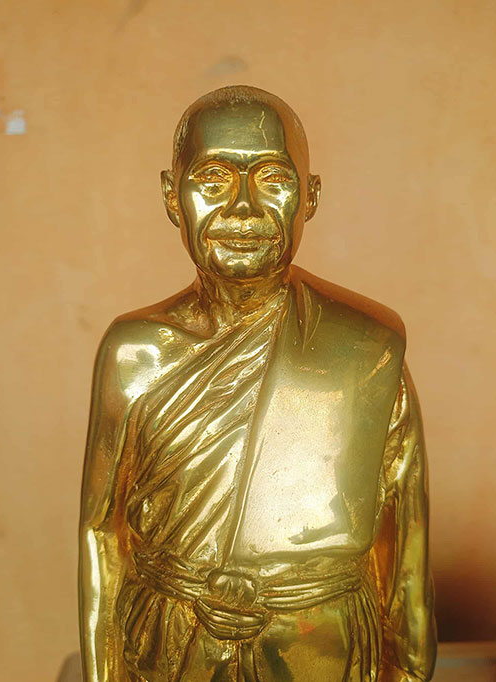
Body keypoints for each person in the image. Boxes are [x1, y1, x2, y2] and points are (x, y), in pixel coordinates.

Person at [79, 85, 436, 682]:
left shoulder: (363, 348)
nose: (243, 207)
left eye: (272, 178)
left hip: (323, 648)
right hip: (170, 647)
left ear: (310, 196)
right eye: (212, 179)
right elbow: (102, 536)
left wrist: (412, 666)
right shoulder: (133, 353)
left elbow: (405, 539)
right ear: (171, 195)